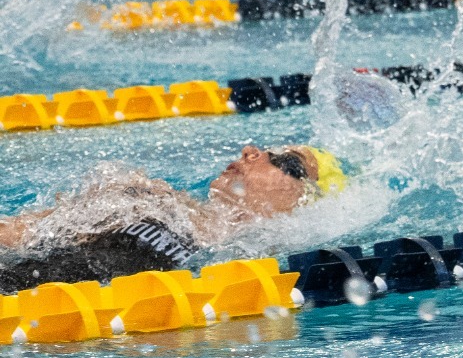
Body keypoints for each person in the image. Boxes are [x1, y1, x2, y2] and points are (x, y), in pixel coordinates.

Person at [0, 143, 345, 291]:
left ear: (303, 203)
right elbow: (19, 232)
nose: (252, 151)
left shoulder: (242, 267)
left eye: (286, 162)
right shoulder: (153, 196)